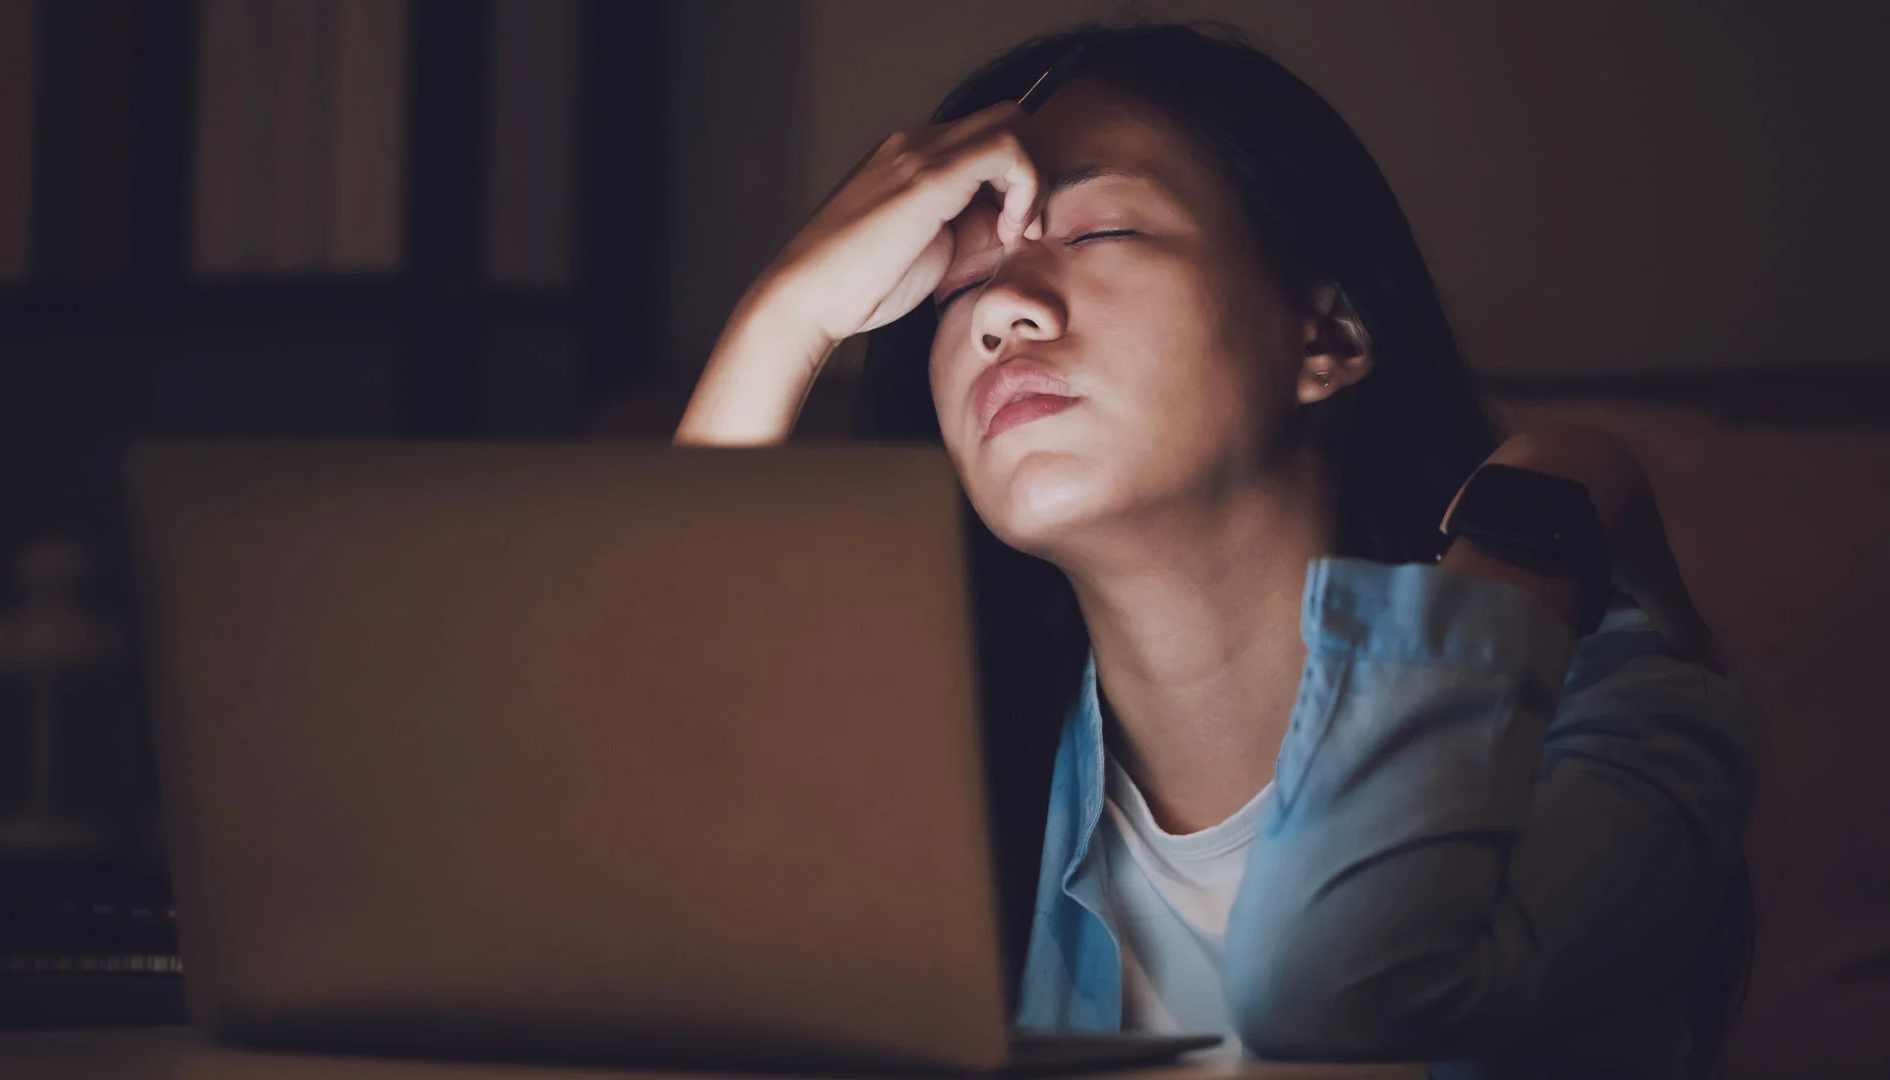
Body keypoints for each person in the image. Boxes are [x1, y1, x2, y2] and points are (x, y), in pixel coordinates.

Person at [675, 22, 1758, 1080]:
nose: (1003, 306)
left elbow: (1340, 987)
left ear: (1328, 334)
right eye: (960, 283)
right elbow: (630, 832)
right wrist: (793, 315)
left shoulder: (1627, 719)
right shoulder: (963, 775)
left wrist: (1535, 512)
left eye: (1097, 231)